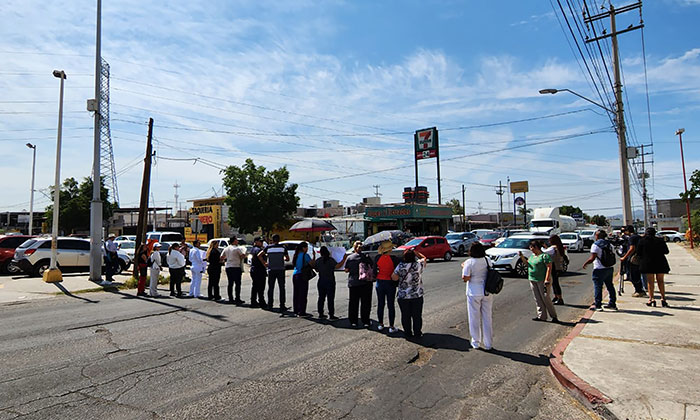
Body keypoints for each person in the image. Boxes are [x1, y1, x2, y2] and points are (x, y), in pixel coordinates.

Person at [461, 242, 493, 350]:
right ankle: (488, 343)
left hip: (473, 292)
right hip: (486, 291)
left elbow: (465, 278)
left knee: (474, 318)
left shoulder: (469, 262)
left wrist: (463, 267)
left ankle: (476, 342)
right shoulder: (487, 260)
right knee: (487, 317)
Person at [392, 249, 428, 339]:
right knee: (417, 315)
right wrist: (417, 252)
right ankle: (417, 332)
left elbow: (394, 278)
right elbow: (424, 258)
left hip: (403, 295)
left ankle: (408, 333)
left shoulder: (400, 266)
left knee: (405, 315)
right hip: (417, 294)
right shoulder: (418, 265)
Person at [519, 240, 558, 322]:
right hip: (533, 279)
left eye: (531, 247)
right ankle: (541, 316)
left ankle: (553, 316)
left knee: (545, 298)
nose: (531, 249)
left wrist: (547, 278)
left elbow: (549, 267)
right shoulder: (532, 256)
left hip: (542, 280)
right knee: (537, 298)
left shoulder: (544, 256)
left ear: (536, 247)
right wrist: (522, 257)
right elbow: (528, 264)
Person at [582, 230, 617, 311]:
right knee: (610, 286)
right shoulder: (609, 244)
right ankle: (612, 303)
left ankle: (598, 305)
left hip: (599, 269)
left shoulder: (595, 245)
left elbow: (592, 258)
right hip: (609, 268)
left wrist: (586, 263)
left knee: (598, 287)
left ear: (597, 236)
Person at [636, 227, 671, 307]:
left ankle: (651, 299)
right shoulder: (660, 240)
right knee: (660, 281)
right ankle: (663, 298)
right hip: (660, 262)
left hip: (648, 263)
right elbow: (666, 251)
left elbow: (638, 253)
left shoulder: (642, 241)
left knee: (650, 282)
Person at [345, 241, 373, 328]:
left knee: (353, 303)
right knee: (366, 303)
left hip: (353, 282)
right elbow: (371, 267)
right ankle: (366, 321)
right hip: (365, 283)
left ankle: (353, 321)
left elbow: (346, 270)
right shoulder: (366, 257)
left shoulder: (350, 258)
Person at [315, 246, 347, 320]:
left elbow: (316, 269)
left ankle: (321, 313)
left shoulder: (318, 260)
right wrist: (344, 259)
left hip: (321, 281)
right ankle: (331, 315)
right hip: (330, 281)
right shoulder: (330, 260)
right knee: (330, 299)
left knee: (321, 298)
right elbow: (338, 266)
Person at [374, 241, 400, 333]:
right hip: (390, 283)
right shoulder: (394, 259)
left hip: (380, 282)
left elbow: (374, 271)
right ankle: (391, 326)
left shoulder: (377, 258)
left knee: (381, 304)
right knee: (391, 305)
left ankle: (380, 324)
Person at [259, 234, 289, 311]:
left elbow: (259, 255)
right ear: (279, 240)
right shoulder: (283, 247)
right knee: (282, 288)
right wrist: (282, 259)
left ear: (272, 240)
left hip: (271, 269)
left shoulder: (268, 247)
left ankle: (270, 304)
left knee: (271, 288)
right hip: (281, 269)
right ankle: (282, 305)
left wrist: (265, 263)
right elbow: (287, 258)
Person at [620, 225, 646, 297]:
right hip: (640, 257)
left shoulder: (632, 238)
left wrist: (624, 257)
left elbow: (632, 248)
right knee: (637, 275)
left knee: (633, 276)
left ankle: (639, 290)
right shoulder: (638, 237)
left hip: (633, 258)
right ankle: (640, 289)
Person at [291, 242, 314, 317]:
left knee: (296, 293)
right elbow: (312, 264)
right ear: (303, 248)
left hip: (295, 275)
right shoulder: (305, 255)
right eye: (306, 247)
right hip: (302, 275)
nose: (307, 249)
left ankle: (296, 310)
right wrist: (314, 257)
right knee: (303, 294)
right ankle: (302, 311)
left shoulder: (296, 255)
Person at [544, 235, 568, 305]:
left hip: (554, 267)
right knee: (555, 283)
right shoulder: (558, 247)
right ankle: (556, 297)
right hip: (558, 266)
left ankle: (560, 298)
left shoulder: (553, 248)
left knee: (555, 283)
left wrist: (542, 248)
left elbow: (545, 252)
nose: (549, 241)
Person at [221, 237, 246, 305]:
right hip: (236, 266)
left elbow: (222, 257)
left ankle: (230, 298)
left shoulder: (226, 248)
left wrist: (227, 259)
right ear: (234, 241)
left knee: (230, 283)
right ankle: (237, 298)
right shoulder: (237, 248)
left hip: (228, 266)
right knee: (237, 283)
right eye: (236, 240)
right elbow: (242, 256)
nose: (237, 241)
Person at [248, 237, 267, 308]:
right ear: (256, 242)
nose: (261, 243)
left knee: (255, 286)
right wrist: (264, 263)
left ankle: (254, 301)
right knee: (261, 287)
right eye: (260, 241)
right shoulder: (257, 249)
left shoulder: (253, 249)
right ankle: (261, 302)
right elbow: (260, 256)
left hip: (254, 269)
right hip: (259, 270)